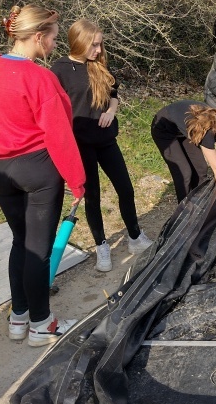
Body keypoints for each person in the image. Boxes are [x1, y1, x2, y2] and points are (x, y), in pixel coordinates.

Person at [0, 4, 85, 346]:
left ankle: (18, 317)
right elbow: (59, 135)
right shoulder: (41, 78)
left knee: (20, 241)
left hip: (2, 171)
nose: (53, 45)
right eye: (50, 38)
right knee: (39, 248)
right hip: (38, 170)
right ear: (36, 37)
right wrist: (78, 181)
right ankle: (42, 323)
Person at [51, 19, 152, 273]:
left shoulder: (99, 66)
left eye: (100, 44)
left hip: (106, 141)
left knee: (126, 190)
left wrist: (111, 110)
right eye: (94, 45)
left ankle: (135, 237)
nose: (98, 50)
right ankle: (101, 246)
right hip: (81, 145)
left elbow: (114, 94)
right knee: (92, 198)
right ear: (80, 42)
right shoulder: (59, 71)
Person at [151, 100, 216, 211]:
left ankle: (199, 204)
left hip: (186, 129)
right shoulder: (207, 133)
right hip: (164, 128)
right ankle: (184, 210)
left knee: (200, 169)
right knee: (184, 172)